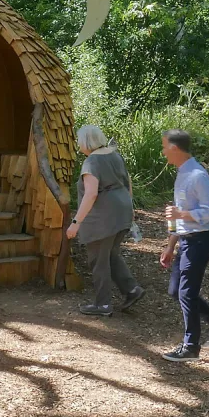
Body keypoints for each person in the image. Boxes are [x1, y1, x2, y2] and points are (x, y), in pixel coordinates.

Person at [159, 130, 209, 362]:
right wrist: (170, 246)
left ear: (174, 148)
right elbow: (177, 214)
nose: (163, 152)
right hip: (186, 241)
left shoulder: (197, 176)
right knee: (176, 290)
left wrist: (181, 214)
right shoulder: (182, 174)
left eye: (164, 147)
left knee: (186, 292)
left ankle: (191, 347)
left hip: (201, 241)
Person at [68, 125, 145, 317]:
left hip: (103, 218)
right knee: (111, 254)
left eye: (79, 141)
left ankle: (102, 305)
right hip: (122, 212)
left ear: (86, 142)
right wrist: (130, 208)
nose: (78, 145)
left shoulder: (91, 162)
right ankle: (132, 289)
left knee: (98, 261)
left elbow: (91, 194)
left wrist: (76, 223)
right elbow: (127, 182)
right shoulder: (114, 155)